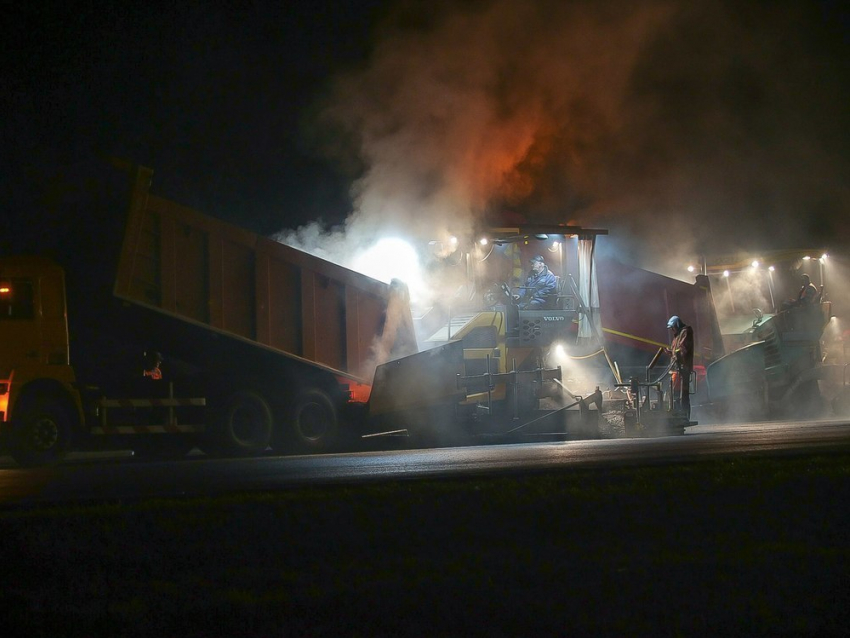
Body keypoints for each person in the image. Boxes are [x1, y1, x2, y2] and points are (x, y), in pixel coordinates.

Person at [666, 315, 694, 418]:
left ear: (677, 325)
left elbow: (683, 349)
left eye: (672, 327)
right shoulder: (678, 335)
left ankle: (683, 415)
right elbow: (677, 351)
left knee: (681, 394)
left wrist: (675, 354)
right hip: (677, 368)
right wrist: (671, 353)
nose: (672, 330)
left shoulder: (686, 332)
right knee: (675, 393)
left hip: (682, 368)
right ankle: (677, 414)